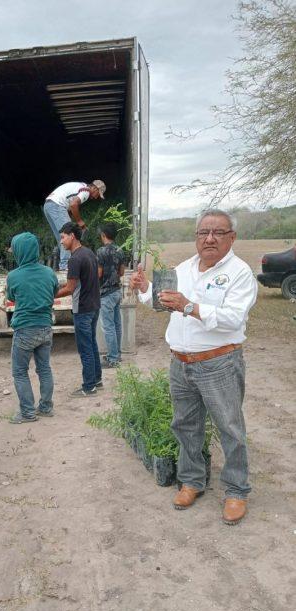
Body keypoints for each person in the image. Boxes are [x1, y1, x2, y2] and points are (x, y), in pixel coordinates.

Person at [130, 209, 258, 525]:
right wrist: (145, 288)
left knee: (230, 427)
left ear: (232, 237)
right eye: (203, 232)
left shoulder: (240, 273)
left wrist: (190, 306)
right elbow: (163, 302)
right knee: (185, 424)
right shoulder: (184, 268)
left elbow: (233, 318)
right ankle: (192, 481)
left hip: (219, 363)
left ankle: (236, 491)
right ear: (196, 237)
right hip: (181, 363)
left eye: (218, 232)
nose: (210, 238)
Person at [6, 232, 59, 424]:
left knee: (20, 372)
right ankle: (46, 407)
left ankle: (27, 413)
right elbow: (54, 292)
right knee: (44, 368)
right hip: (45, 327)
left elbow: (11, 297)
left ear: (20, 251)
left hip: (25, 330)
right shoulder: (49, 272)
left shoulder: (14, 276)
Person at [55, 222, 102, 396]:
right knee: (92, 343)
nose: (61, 241)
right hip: (94, 305)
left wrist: (50, 295)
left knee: (85, 348)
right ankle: (97, 379)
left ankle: (89, 386)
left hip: (82, 308)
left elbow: (69, 288)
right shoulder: (89, 252)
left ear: (72, 236)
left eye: (63, 237)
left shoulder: (74, 259)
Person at [43, 180, 106, 271]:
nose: (96, 197)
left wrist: (73, 221)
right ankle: (65, 266)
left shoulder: (80, 186)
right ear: (94, 188)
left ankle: (61, 264)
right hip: (57, 206)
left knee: (62, 238)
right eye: (98, 194)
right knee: (69, 236)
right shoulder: (86, 191)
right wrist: (80, 221)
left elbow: (70, 207)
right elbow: (73, 205)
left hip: (48, 205)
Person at [97, 222, 126, 368]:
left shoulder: (101, 252)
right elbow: (121, 272)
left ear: (103, 235)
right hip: (116, 291)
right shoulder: (120, 250)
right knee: (116, 325)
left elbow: (99, 273)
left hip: (105, 293)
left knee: (108, 327)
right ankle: (117, 354)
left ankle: (113, 359)